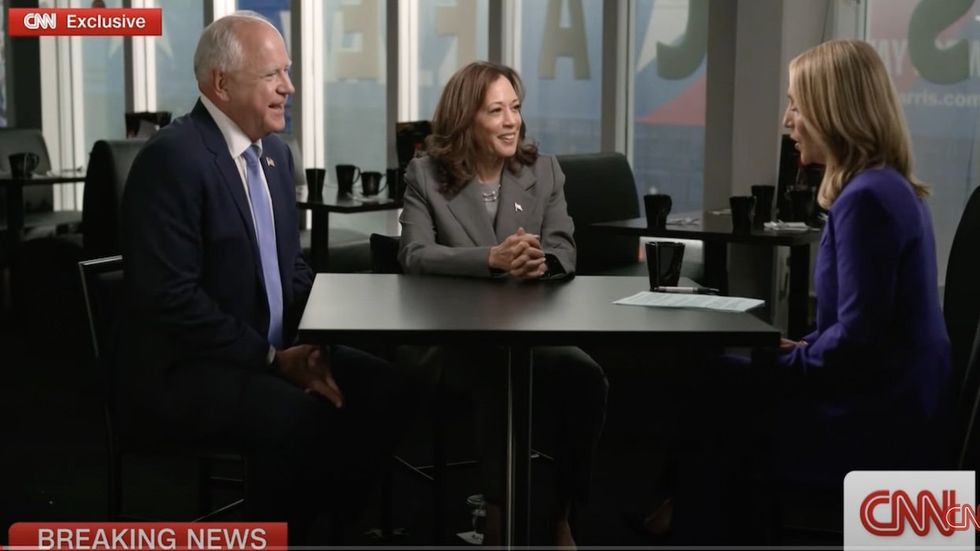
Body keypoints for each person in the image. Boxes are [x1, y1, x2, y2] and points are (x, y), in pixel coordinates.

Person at [644, 39, 953, 544]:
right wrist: (802, 348)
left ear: (834, 111)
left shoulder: (868, 199)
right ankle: (687, 512)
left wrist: (776, 361)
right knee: (727, 386)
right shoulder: (889, 187)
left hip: (880, 421)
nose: (788, 119)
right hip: (904, 401)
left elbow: (856, 343)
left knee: (714, 385)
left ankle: (690, 518)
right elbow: (867, 328)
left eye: (796, 103)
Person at [119, 12, 405, 542]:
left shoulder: (274, 153)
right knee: (298, 419)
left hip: (272, 352)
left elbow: (289, 269)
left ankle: (335, 528)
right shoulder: (172, 160)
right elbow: (171, 299)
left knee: (385, 388)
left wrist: (321, 332)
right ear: (221, 83)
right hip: (193, 368)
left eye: (288, 72)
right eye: (272, 75)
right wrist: (274, 360)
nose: (288, 87)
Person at [397, 61, 608, 547]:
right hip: (448, 338)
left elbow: (563, 250)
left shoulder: (543, 170)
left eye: (515, 107)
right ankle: (499, 515)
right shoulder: (425, 175)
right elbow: (413, 255)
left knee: (587, 376)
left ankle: (560, 512)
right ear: (466, 118)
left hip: (526, 333)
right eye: (496, 110)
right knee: (497, 370)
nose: (512, 120)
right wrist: (490, 259)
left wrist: (542, 265)